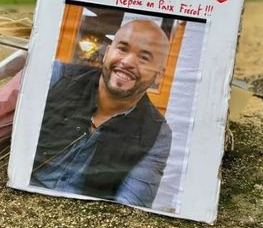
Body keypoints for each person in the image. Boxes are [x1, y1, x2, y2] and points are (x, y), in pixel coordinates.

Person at [30, 19, 173, 208]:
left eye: (144, 58)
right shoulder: (56, 77)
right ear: (107, 53)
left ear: (158, 75)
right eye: (122, 48)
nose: (128, 62)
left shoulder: (157, 134)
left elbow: (128, 210)